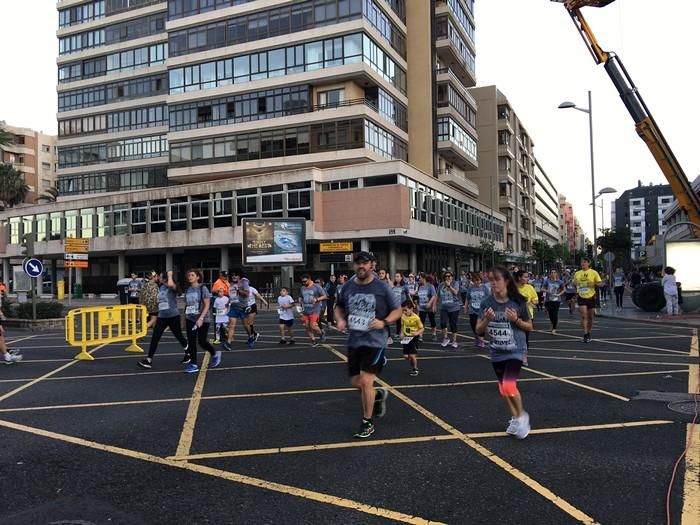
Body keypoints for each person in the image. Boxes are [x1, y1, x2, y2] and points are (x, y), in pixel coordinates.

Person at [335, 251, 402, 439]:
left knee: (365, 381)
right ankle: (378, 394)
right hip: (355, 341)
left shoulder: (381, 287)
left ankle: (367, 422)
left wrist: (385, 322)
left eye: (364, 263)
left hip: (375, 341)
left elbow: (398, 310)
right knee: (356, 382)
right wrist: (340, 319)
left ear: (371, 265)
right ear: (354, 266)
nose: (361, 266)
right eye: (358, 263)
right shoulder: (347, 286)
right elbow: (339, 307)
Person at [475, 266, 533, 440]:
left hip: (516, 349)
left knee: (508, 385)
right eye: (490, 280)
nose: (493, 284)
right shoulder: (486, 303)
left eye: (497, 279)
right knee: (503, 388)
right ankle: (515, 418)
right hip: (497, 351)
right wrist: (487, 319)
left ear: (506, 281)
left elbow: (530, 327)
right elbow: (478, 330)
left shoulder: (518, 302)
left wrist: (516, 319)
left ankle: (523, 416)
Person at [138, 271, 188, 369]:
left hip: (173, 316)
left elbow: (171, 285)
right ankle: (149, 359)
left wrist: (169, 275)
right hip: (162, 316)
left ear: (165, 278)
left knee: (179, 336)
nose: (159, 278)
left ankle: (188, 353)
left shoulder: (172, 286)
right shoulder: (161, 287)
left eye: (160, 277)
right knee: (155, 337)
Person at [573, 258, 603, 343]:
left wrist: (593, 283)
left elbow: (601, 284)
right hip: (581, 297)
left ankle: (589, 332)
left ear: (588, 264)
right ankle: (585, 334)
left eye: (585, 262)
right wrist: (575, 283)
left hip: (591, 297)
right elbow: (574, 282)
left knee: (590, 317)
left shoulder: (593, 272)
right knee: (584, 316)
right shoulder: (577, 273)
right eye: (582, 262)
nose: (583, 263)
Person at [224, 269, 254, 350]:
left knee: (246, 325)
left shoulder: (244, 282)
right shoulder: (231, 284)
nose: (234, 276)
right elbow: (232, 295)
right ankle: (228, 343)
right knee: (232, 325)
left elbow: (247, 294)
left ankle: (251, 336)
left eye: (236, 275)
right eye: (233, 275)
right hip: (234, 307)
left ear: (239, 275)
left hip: (242, 307)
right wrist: (228, 302)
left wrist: (238, 290)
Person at [299, 274, 327, 346]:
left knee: (313, 326)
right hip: (306, 310)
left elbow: (324, 296)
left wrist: (317, 299)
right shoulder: (302, 288)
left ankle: (321, 333)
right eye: (302, 282)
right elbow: (301, 296)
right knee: (306, 326)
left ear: (309, 279)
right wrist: (300, 300)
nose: (304, 283)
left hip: (315, 310)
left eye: (305, 281)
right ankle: (313, 341)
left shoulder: (316, 286)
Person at [515, 271, 538, 350]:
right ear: (519, 278)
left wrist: (533, 301)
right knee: (515, 336)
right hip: (514, 315)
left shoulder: (530, 287)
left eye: (527, 277)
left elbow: (536, 298)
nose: (527, 278)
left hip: (528, 315)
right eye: (525, 277)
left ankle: (524, 356)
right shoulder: (513, 288)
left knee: (525, 337)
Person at [465, 272, 490, 348]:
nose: (477, 282)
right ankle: (476, 336)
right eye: (475, 280)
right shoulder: (471, 288)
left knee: (481, 326)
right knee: (473, 325)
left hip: (482, 310)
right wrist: (465, 307)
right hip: (472, 309)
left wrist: (488, 308)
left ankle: (481, 341)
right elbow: (467, 298)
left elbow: (489, 299)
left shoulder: (484, 288)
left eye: (479, 280)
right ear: (473, 281)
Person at [438, 271, 461, 348]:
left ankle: (454, 341)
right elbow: (437, 295)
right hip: (443, 307)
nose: (448, 278)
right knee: (443, 323)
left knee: (452, 324)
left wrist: (449, 286)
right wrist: (434, 304)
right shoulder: (441, 285)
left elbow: (455, 293)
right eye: (446, 276)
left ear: (452, 277)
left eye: (449, 276)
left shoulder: (455, 283)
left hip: (454, 307)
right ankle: (445, 338)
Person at [400, 300, 424, 376]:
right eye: (403, 310)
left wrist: (417, 333)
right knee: (406, 357)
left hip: (413, 338)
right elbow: (402, 325)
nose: (404, 312)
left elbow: (422, 328)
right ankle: (411, 359)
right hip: (406, 338)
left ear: (411, 309)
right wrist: (401, 333)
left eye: (405, 310)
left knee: (412, 356)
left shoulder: (416, 318)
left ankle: (415, 369)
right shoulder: (403, 316)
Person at [416, 273, 437, 340]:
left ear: (423, 278)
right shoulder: (420, 287)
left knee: (432, 322)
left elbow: (434, 296)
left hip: (429, 308)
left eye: (420, 278)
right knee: (421, 322)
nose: (419, 279)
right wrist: (418, 305)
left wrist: (430, 303)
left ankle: (434, 334)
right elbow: (418, 297)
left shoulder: (430, 286)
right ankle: (420, 335)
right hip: (422, 307)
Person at [390, 272, 409, 342]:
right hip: (396, 306)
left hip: (403, 305)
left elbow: (408, 295)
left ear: (401, 278)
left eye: (398, 276)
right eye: (395, 276)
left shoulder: (404, 286)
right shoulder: (394, 286)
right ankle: (398, 333)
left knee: (402, 320)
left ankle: (401, 333)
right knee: (397, 320)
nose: (396, 278)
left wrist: (411, 304)